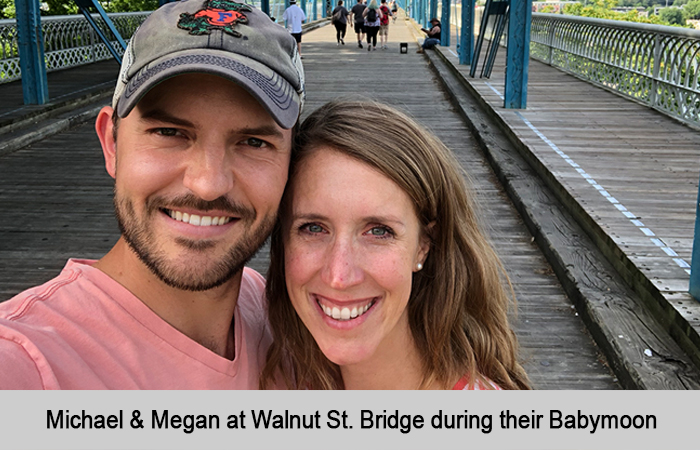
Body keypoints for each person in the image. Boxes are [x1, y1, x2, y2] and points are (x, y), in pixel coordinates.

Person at [0, 0, 304, 389]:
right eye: (169, 133)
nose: (208, 183)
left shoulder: (269, 309)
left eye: (253, 142)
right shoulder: (29, 364)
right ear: (111, 144)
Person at [260, 100, 530, 390]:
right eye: (313, 228)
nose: (339, 276)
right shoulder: (282, 375)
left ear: (423, 246)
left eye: (379, 231)